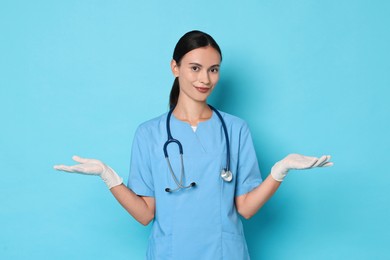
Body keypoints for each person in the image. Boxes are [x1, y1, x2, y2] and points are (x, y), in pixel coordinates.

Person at [54, 30, 333, 259]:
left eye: (213, 70)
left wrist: (279, 171)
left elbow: (246, 208)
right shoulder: (148, 133)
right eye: (195, 68)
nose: (205, 79)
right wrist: (108, 176)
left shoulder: (235, 129)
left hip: (225, 253)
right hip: (171, 253)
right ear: (175, 67)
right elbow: (145, 214)